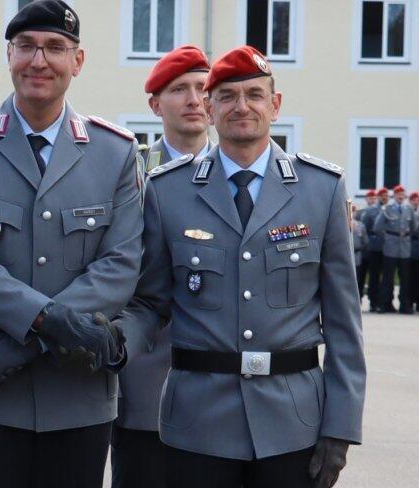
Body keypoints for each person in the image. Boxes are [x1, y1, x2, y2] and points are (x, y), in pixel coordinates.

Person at [0, 0, 147, 488]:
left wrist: (40, 333)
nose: (38, 60)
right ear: (9, 56)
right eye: (25, 46)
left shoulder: (115, 152)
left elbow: (121, 263)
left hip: (76, 398)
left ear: (77, 61)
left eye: (54, 48)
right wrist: (51, 321)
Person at [127, 45, 365, 487]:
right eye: (228, 96)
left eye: (255, 95)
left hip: (292, 423)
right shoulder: (167, 191)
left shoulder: (322, 189)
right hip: (197, 424)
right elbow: (150, 302)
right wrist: (112, 344)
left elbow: (343, 324)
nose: (242, 107)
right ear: (211, 107)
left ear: (275, 105)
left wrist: (341, 425)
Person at [112, 44, 212, 488]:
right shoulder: (126, 171)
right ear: (156, 104)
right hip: (147, 371)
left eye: (203, 88)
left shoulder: (240, 171)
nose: (194, 99)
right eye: (180, 89)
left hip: (219, 376)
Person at [374, 184, 415, 314]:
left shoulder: (408, 209)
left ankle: (404, 305)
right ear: (394, 196)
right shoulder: (388, 209)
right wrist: (388, 237)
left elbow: (413, 227)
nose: (400, 197)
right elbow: (377, 227)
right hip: (390, 248)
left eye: (402, 195)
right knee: (387, 278)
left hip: (404, 248)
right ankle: (384, 304)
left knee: (405, 278)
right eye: (398, 194)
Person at [361, 188, 384, 311]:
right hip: (367, 248)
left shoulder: (382, 210)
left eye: (374, 198)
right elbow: (363, 229)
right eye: (370, 198)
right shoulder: (363, 212)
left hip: (379, 248)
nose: (372, 200)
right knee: (364, 275)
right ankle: (364, 299)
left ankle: (376, 300)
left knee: (376, 275)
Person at [350, 204, 368, 302]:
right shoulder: (341, 224)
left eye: (354, 211)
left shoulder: (361, 225)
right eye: (350, 210)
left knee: (358, 278)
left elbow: (365, 241)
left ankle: (358, 298)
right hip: (345, 256)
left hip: (357, 255)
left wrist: (359, 248)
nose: (352, 213)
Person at [409, 191, 419, 313]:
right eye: (414, 199)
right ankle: (410, 301)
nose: (416, 201)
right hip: (411, 247)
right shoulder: (408, 211)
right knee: (411, 277)